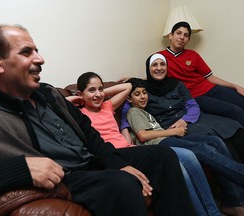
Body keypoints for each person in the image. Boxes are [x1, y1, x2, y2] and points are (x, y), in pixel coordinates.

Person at [0, 25, 197, 216]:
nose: (40, 59)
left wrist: (117, 163)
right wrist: (19, 169)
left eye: (37, 50)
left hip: (96, 160)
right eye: (26, 52)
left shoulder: (49, 94)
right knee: (121, 184)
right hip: (71, 177)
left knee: (163, 156)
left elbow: (88, 132)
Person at [74, 71, 221, 216]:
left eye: (100, 89)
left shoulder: (107, 106)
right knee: (170, 157)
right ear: (81, 94)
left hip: (130, 149)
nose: (98, 94)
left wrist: (99, 92)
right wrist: (76, 99)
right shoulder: (79, 114)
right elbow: (59, 104)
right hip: (112, 154)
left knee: (179, 162)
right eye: (91, 90)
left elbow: (128, 87)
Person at [126, 77, 244, 216]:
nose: (142, 97)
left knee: (214, 141)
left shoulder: (145, 111)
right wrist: (174, 131)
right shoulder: (133, 112)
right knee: (204, 150)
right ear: (129, 98)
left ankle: (234, 200)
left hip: (167, 139)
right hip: (159, 143)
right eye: (137, 94)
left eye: (144, 92)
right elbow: (143, 136)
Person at [158, 21, 244, 127]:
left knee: (241, 100)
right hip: (195, 96)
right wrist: (132, 82)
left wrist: (235, 86)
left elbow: (209, 77)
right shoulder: (160, 58)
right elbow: (153, 77)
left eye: (186, 35)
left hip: (211, 88)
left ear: (188, 40)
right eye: (178, 33)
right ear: (171, 36)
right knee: (236, 111)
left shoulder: (193, 55)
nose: (182, 37)